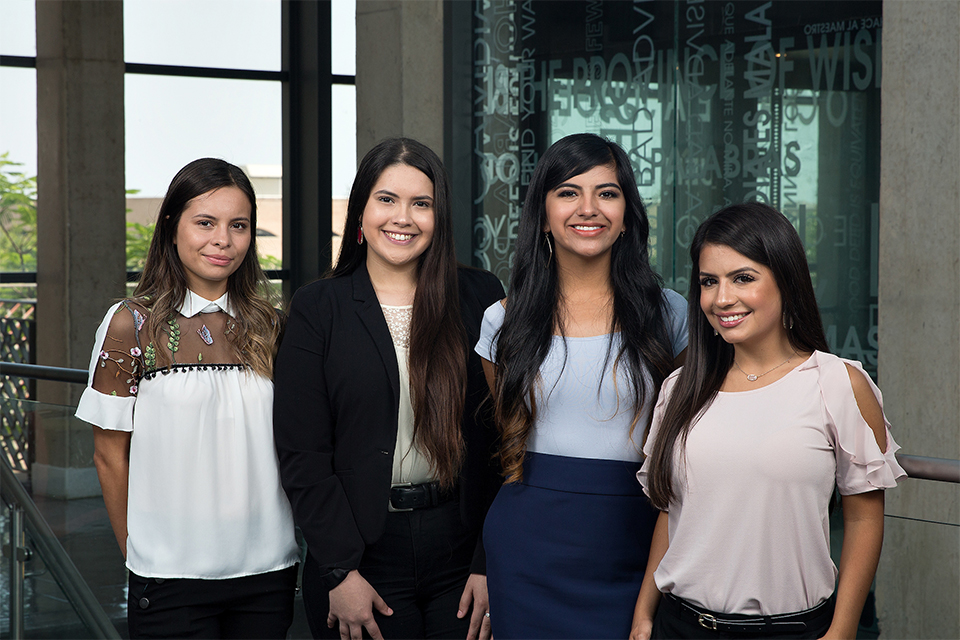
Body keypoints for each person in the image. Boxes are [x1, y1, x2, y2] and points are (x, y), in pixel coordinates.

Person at [631, 202, 906, 639]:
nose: (722, 299)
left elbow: (863, 518)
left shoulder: (837, 383)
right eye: (708, 282)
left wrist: (843, 630)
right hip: (678, 625)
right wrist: (643, 614)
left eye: (743, 278)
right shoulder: (680, 388)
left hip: (791, 630)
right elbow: (673, 511)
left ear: (786, 281)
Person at [273, 137, 504, 640]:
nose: (403, 217)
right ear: (361, 211)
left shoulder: (480, 297)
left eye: (421, 204)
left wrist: (490, 561)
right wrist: (338, 571)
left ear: (438, 217)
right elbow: (301, 453)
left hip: (462, 552)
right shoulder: (319, 308)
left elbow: (501, 440)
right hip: (360, 552)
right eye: (386, 200)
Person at [474, 133, 688, 639]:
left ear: (627, 212)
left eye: (607, 193)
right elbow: (509, 440)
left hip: (638, 538)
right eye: (568, 192)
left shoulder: (671, 313)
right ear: (543, 211)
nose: (588, 208)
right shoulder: (502, 321)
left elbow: (686, 433)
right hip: (527, 545)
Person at [76, 158, 300, 639]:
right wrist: (140, 554)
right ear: (171, 226)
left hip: (268, 573)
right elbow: (108, 456)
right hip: (169, 577)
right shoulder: (131, 324)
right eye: (205, 222)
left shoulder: (273, 326)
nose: (223, 240)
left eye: (239, 226)